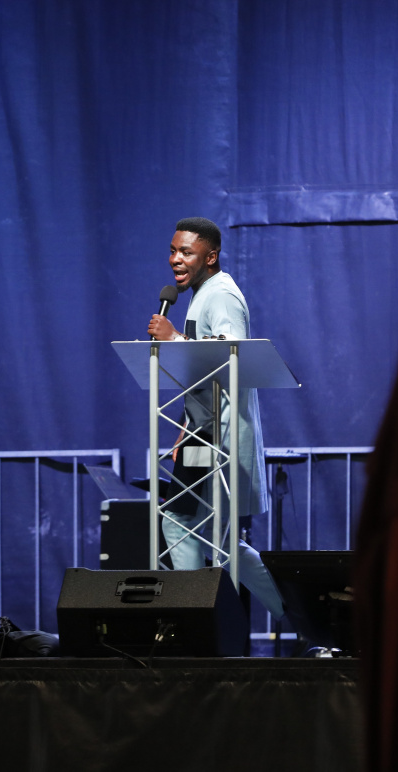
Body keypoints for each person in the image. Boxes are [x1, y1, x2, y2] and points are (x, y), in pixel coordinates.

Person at [146, 217, 284, 620]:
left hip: (219, 437)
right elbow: (201, 377)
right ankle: (296, 612)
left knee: (184, 523)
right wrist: (185, 431)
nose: (175, 259)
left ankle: (196, 616)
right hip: (202, 434)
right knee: (205, 530)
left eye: (186, 252)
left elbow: (231, 359)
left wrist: (173, 339)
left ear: (210, 256)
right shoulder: (202, 294)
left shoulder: (222, 295)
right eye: (173, 251)